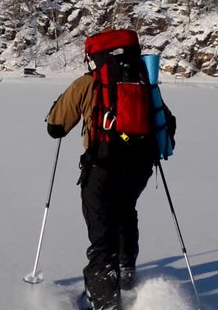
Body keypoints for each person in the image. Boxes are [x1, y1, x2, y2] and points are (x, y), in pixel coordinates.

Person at [45, 31, 175, 310]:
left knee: (101, 230)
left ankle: (104, 299)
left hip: (102, 168)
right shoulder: (144, 82)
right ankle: (127, 271)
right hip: (140, 169)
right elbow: (167, 122)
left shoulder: (89, 83)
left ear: (95, 57)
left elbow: (55, 127)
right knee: (126, 213)